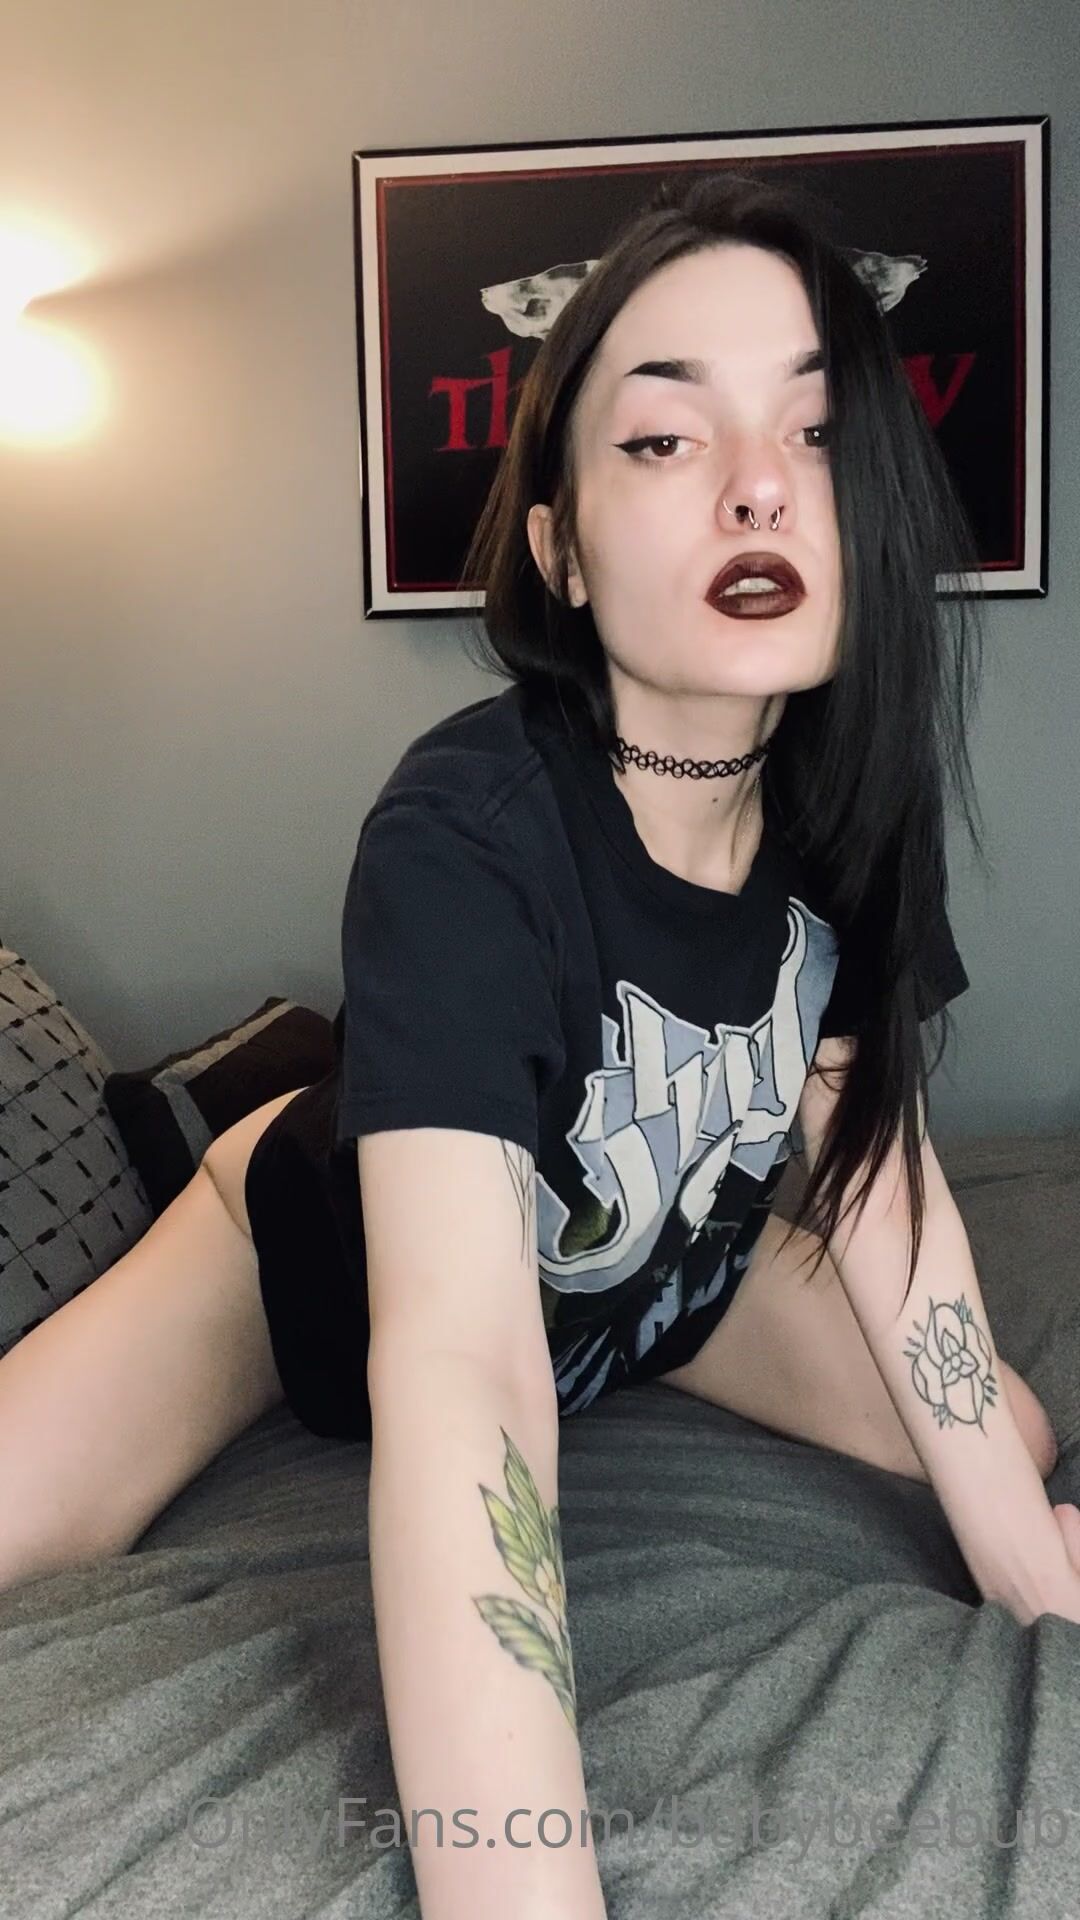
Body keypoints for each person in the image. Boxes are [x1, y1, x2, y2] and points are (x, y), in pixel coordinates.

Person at [1, 171, 1078, 1920]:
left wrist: (1037, 1584)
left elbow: (878, 1182)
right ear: (565, 551)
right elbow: (462, 1368)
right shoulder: (468, 829)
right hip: (318, 1263)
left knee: (1007, 1442)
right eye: (663, 438)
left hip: (663, 1270)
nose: (757, 482)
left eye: (813, 431)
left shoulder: (848, 810)